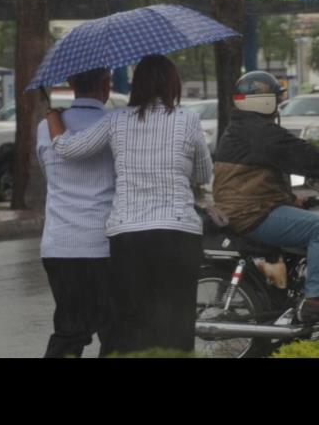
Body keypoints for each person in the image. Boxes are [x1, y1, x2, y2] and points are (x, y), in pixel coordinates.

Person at [46, 55, 212, 355]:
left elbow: (68, 149)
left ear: (137, 86)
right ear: (173, 84)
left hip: (129, 237)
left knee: (132, 323)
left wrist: (52, 117)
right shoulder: (188, 119)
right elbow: (204, 173)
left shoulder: (117, 120)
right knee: (178, 322)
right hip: (178, 233)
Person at [212, 71, 319, 323]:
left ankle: (288, 296)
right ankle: (315, 300)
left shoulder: (244, 128)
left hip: (245, 208)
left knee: (303, 225)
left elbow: (256, 178)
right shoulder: (260, 132)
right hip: (251, 213)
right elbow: (305, 156)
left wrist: (289, 199)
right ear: (262, 101)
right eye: (275, 97)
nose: (278, 103)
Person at [35, 67, 115, 358]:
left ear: (70, 83)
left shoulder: (46, 127)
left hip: (59, 245)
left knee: (69, 331)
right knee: (114, 331)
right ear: (106, 85)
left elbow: (49, 172)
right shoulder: (113, 125)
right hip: (103, 245)